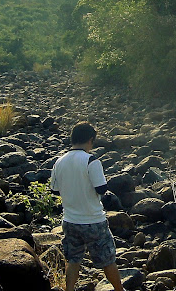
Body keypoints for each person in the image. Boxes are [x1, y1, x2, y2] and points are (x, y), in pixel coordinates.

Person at [50, 121, 125, 291]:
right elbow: (102, 189)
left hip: (70, 220)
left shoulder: (59, 162)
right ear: (90, 140)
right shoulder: (91, 160)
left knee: (73, 259)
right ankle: (119, 290)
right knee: (107, 260)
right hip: (93, 220)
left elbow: (54, 191)